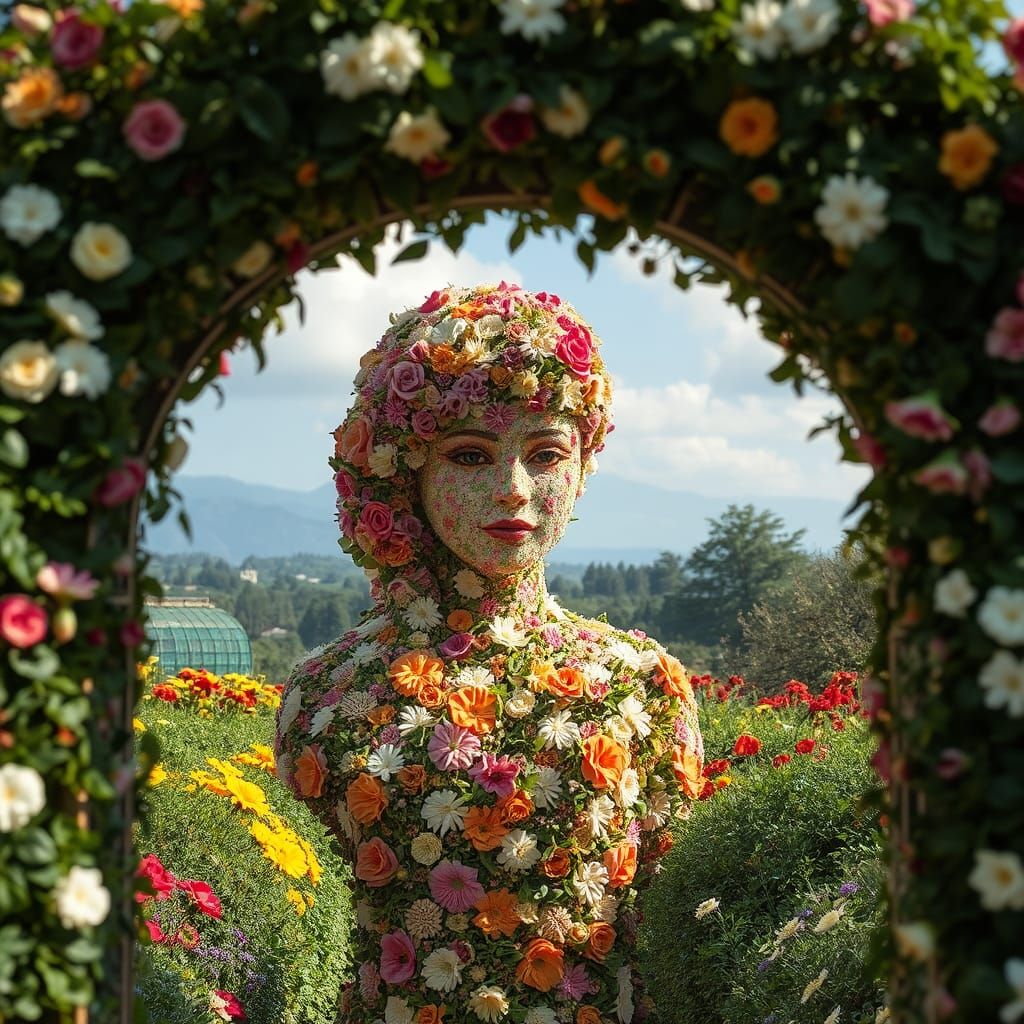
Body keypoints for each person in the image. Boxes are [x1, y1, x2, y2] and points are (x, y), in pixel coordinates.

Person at [273, 282, 704, 1024]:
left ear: (582, 462)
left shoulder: (646, 688)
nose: (513, 490)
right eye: (471, 455)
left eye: (544, 454)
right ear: (407, 469)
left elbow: (677, 923)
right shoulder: (325, 697)